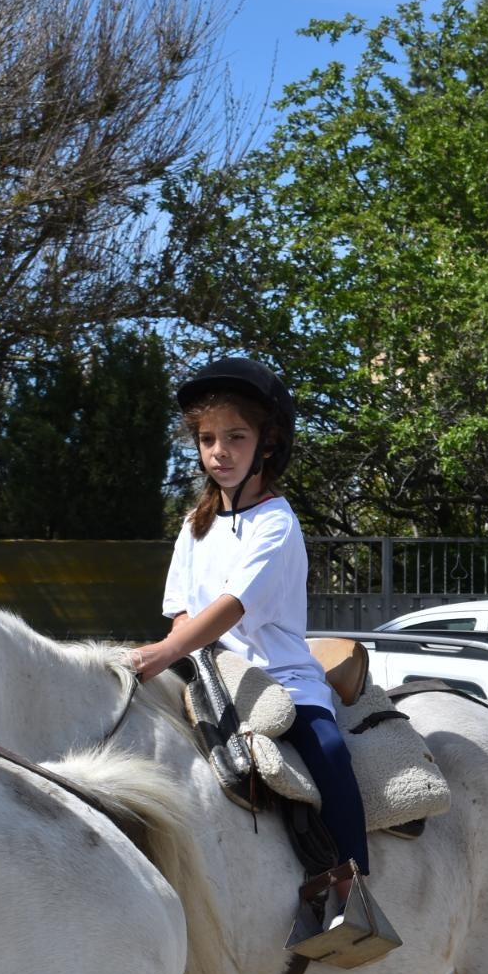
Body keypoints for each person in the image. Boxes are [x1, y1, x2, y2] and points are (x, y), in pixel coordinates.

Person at [129, 357, 376, 940]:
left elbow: (232, 607)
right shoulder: (194, 522)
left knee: (327, 748)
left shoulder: (277, 522)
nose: (219, 451)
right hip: (208, 673)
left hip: (280, 677)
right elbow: (182, 610)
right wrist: (179, 652)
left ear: (268, 444)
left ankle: (350, 890)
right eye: (208, 438)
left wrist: (159, 655)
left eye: (236, 437)